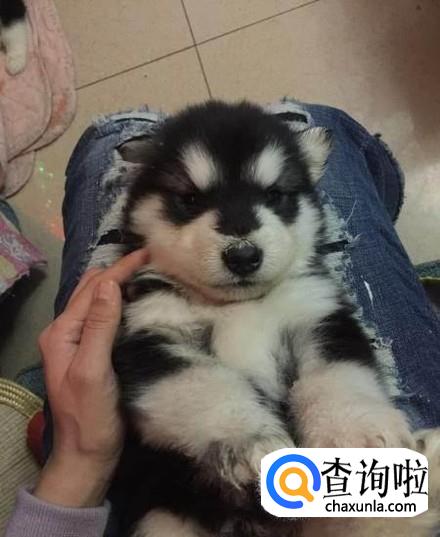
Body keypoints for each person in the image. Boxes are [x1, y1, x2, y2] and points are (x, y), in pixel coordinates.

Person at [5, 101, 440, 537]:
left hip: (299, 491)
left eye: (274, 196)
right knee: (396, 485)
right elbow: (159, 378)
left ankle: (383, 499)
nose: (242, 244)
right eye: (190, 200)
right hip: (197, 504)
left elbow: (333, 352)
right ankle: (394, 496)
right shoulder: (154, 298)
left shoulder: (300, 289)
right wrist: (233, 432)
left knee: (111, 139)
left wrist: (80, 460)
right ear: (139, 208)